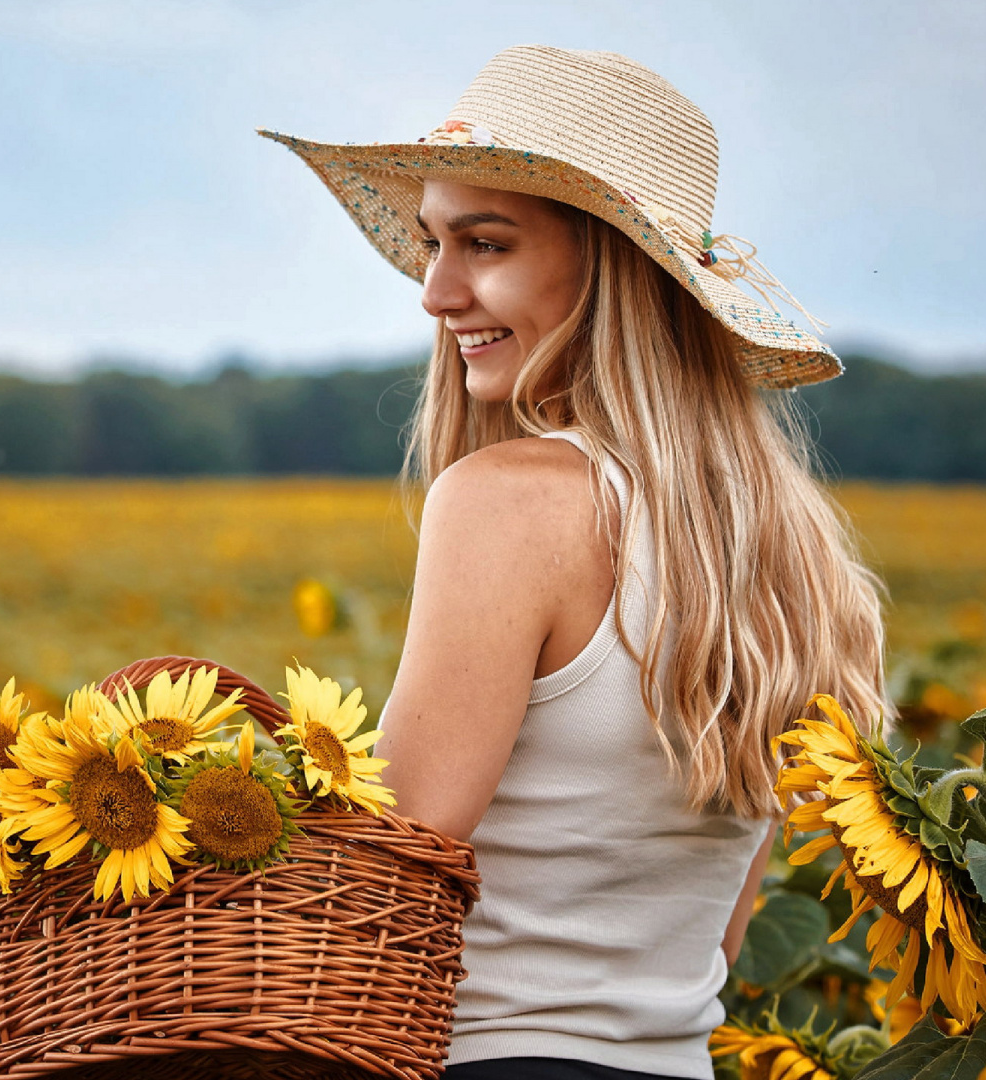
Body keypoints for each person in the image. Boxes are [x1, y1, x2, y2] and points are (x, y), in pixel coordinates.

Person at [262, 46, 890, 1080]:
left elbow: (392, 867)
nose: (436, 291)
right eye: (432, 242)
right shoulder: (794, 556)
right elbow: (716, 944)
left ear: (612, 265)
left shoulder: (507, 503)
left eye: (486, 243)